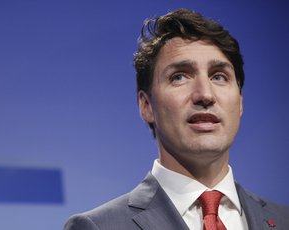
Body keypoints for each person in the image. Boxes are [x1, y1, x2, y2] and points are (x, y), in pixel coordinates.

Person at [64, 8, 289, 230]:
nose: (205, 95)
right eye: (179, 77)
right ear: (146, 105)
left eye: (218, 76)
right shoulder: (100, 226)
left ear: (239, 102)